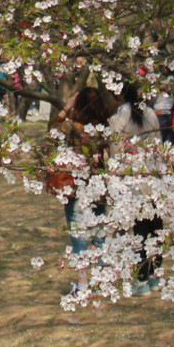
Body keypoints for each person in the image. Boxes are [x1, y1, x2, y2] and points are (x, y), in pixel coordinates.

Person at [51, 85, 121, 298]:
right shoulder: (103, 128)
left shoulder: (74, 127)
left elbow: (53, 128)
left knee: (78, 233)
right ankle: (104, 279)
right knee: (99, 231)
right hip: (98, 183)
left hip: (76, 184)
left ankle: (83, 285)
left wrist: (67, 107)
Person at [109, 83, 165, 295]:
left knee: (140, 230)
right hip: (152, 176)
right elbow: (158, 145)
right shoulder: (150, 114)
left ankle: (142, 278)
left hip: (132, 180)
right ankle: (155, 275)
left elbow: (116, 154)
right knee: (156, 227)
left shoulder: (117, 120)